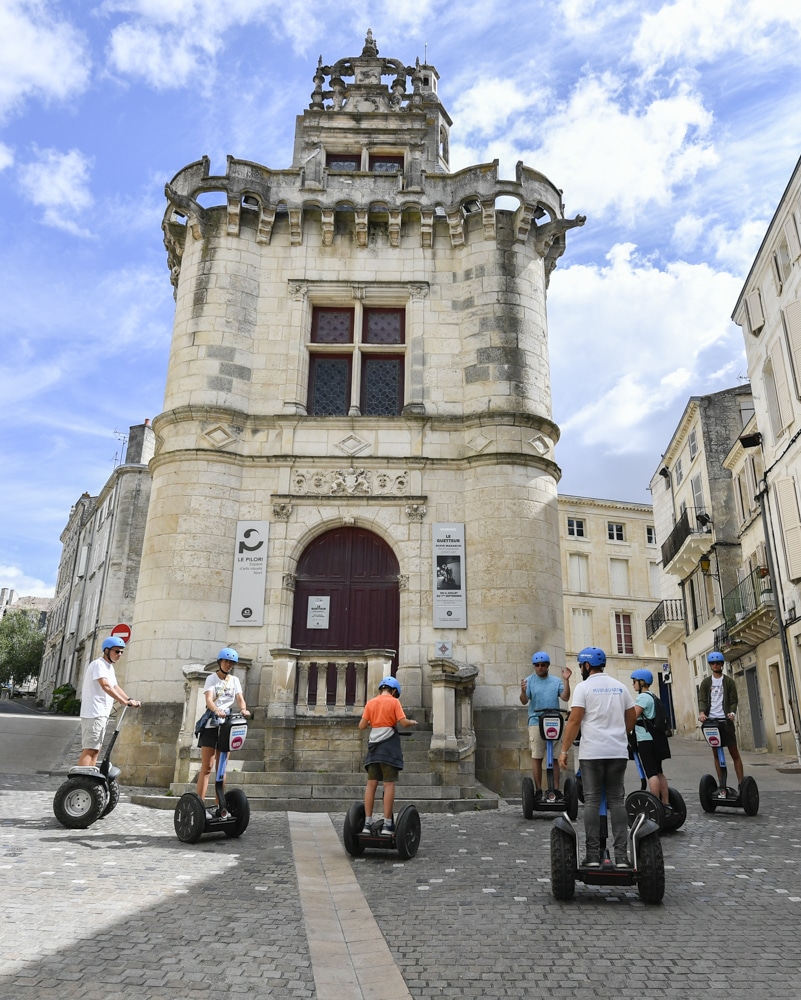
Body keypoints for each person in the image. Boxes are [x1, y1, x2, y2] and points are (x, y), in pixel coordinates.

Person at [558, 646, 636, 869]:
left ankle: (592, 855)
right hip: (617, 752)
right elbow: (631, 717)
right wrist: (621, 734)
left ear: (586, 665)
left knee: (592, 800)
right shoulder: (620, 687)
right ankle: (622, 857)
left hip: (593, 753)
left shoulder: (583, 687)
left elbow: (574, 721)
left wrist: (564, 751)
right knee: (616, 800)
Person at [359, 676, 417, 835]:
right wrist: (412, 722)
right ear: (393, 691)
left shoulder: (371, 703)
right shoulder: (394, 701)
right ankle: (387, 824)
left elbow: (362, 725)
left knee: (371, 785)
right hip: (389, 749)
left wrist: (373, 721)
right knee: (388, 784)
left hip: (373, 749)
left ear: (381, 689)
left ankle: (367, 823)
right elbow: (403, 722)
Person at [196, 647, 251, 803]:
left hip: (227, 725)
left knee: (221, 768)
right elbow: (208, 700)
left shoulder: (234, 681)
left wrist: (243, 709)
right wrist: (216, 710)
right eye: (226, 661)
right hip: (211, 724)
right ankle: (199, 803)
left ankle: (220, 804)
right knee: (207, 767)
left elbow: (240, 698)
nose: (228, 665)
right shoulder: (212, 679)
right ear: (220, 662)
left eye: (231, 663)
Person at [78, 636, 141, 767]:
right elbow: (105, 685)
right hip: (94, 713)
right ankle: (80, 780)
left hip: (101, 714)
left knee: (96, 750)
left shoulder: (109, 667)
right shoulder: (99, 664)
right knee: (90, 749)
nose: (120, 654)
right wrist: (124, 702)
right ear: (107, 651)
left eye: (122, 652)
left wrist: (129, 699)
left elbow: (115, 687)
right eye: (117, 651)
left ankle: (89, 779)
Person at [519, 650, 572, 797]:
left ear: (548, 666)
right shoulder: (529, 681)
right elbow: (524, 701)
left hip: (554, 721)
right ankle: (538, 790)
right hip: (536, 721)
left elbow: (565, 697)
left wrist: (566, 680)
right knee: (537, 756)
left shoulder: (556, 681)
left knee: (554, 757)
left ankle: (555, 789)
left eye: (543, 665)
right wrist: (523, 691)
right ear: (534, 666)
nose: (540, 667)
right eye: (537, 665)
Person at [698, 651, 744, 785]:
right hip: (711, 722)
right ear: (710, 665)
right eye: (713, 663)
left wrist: (732, 713)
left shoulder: (729, 682)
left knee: (734, 753)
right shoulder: (706, 683)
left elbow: (733, 701)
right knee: (716, 754)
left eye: (718, 663)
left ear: (722, 664)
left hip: (726, 722)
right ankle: (721, 784)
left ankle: (741, 783)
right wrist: (702, 713)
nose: (715, 665)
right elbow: (702, 700)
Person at [630, 668, 670, 804]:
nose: (633, 684)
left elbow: (632, 717)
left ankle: (655, 804)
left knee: (651, 774)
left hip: (645, 741)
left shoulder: (642, 697)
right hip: (657, 739)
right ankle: (665, 803)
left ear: (642, 682)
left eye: (634, 681)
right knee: (659, 772)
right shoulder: (653, 696)